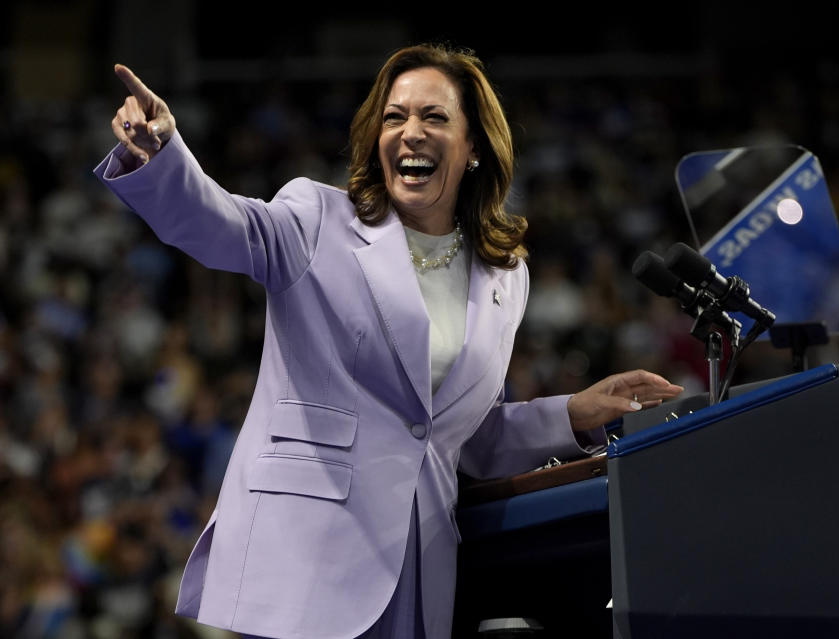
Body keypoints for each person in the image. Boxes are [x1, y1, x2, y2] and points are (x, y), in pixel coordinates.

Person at [94, 44, 683, 639]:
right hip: (309, 558)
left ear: (474, 146)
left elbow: (462, 438)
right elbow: (224, 226)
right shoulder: (317, 219)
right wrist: (164, 157)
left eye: (434, 117)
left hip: (420, 568)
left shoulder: (506, 275)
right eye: (395, 116)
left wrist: (573, 412)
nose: (411, 133)